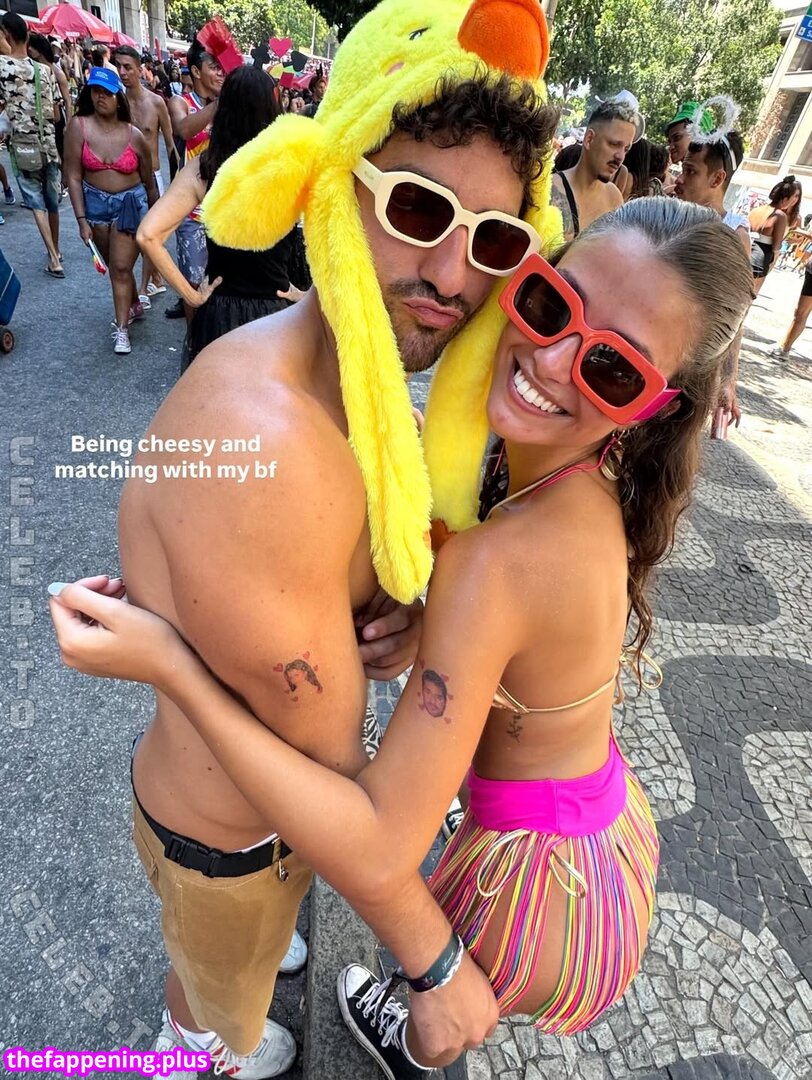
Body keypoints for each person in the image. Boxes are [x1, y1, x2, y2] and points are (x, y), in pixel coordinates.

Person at [51, 198, 755, 1078]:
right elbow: (515, 635)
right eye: (550, 304)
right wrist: (438, 628)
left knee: (443, 1018)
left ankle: (394, 1037)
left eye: (612, 369)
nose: (552, 359)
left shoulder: (499, 563)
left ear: (654, 406)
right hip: (592, 833)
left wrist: (169, 662)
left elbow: (382, 842)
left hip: (534, 897)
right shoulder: (570, 479)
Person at [47, 1, 562, 1075]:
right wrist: (432, 965)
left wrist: (386, 610)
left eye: (493, 239)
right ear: (333, 184)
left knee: (237, 948)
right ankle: (188, 1047)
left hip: (247, 820)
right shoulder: (271, 445)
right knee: (219, 1013)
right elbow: (346, 797)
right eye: (417, 208)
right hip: (227, 841)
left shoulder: (328, 373)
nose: (454, 277)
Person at [136, 64, 308, 369]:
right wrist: (311, 295)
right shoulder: (294, 167)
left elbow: (147, 235)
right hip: (277, 314)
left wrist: (191, 296)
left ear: (223, 108)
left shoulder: (205, 167)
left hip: (221, 315)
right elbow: (344, 233)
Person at [63, 67, 158, 355]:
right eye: (95, 91)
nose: (100, 97)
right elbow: (73, 176)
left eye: (106, 92)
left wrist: (157, 222)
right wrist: (81, 220)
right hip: (94, 206)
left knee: (120, 267)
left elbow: (149, 182)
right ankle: (133, 304)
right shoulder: (78, 127)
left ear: (118, 98)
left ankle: (122, 330)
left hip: (129, 205)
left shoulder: (135, 135)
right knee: (115, 267)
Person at [674, 105, 749, 428]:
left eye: (691, 172)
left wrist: (728, 379)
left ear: (718, 178)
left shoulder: (734, 234)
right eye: (683, 169)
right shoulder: (673, 214)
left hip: (695, 367)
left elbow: (737, 315)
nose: (681, 178)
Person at [0, 12, 63, 277]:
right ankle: (57, 249)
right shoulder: (44, 70)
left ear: (7, 35)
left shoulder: (1, 67)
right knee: (52, 201)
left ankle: (54, 258)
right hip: (48, 143)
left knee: (35, 201)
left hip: (23, 145)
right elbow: (57, 114)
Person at [113, 45, 177, 303]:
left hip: (153, 177)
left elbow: (171, 144)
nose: (122, 72)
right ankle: (153, 281)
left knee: (149, 234)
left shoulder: (156, 102)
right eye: (118, 66)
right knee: (129, 235)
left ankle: (143, 288)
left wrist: (176, 183)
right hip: (125, 179)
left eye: (128, 67)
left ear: (140, 70)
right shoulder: (117, 103)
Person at [165, 38, 223, 320]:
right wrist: (220, 104)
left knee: (221, 283)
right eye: (214, 67)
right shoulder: (181, 102)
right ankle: (193, 339)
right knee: (192, 284)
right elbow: (184, 129)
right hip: (192, 212)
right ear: (196, 71)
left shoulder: (227, 107)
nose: (220, 73)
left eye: (222, 68)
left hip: (224, 210)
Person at [550, 97, 639, 240]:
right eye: (614, 144)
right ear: (589, 139)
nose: (620, 156)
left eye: (626, 149)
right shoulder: (550, 190)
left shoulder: (614, 198)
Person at [27, 34, 71, 195]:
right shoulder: (33, 69)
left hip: (56, 118)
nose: (29, 49)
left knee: (59, 153)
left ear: (39, 49)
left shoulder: (56, 72)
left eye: (32, 47)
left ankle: (64, 183)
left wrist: (69, 124)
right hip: (41, 118)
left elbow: (67, 100)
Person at [749, 175, 803, 295]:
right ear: (785, 198)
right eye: (793, 197)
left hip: (745, 253)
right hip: (761, 259)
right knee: (749, 296)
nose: (794, 201)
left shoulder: (756, 210)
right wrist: (772, 263)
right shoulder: (780, 216)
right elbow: (776, 247)